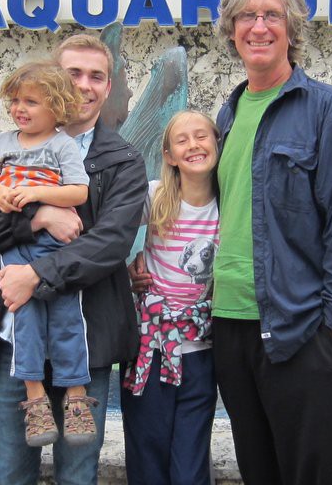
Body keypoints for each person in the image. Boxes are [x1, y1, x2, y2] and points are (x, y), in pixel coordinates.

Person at [0, 33, 148, 485]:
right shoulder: (9, 149)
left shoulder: (123, 161)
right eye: (73, 73)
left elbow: (110, 244)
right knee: (12, 472)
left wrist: (36, 275)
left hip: (87, 338)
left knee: (78, 472)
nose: (84, 85)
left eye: (96, 76)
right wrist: (39, 217)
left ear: (108, 86)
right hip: (14, 337)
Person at [211, 0, 332, 485]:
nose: (259, 26)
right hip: (230, 326)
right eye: (246, 16)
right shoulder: (228, 116)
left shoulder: (327, 108)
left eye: (271, 15)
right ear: (231, 30)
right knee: (259, 472)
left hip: (301, 328)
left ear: (291, 29)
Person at [0, 61, 95, 447]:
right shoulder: (3, 144)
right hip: (14, 244)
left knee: (66, 318)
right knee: (23, 316)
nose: (20, 109)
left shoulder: (62, 145)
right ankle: (35, 396)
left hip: (55, 246)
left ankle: (76, 397)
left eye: (31, 102)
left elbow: (78, 192)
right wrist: (2, 194)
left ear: (57, 107)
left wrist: (39, 195)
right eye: (15, 101)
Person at [121, 110, 221, 485]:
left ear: (217, 143)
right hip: (151, 350)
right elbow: (108, 232)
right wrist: (127, 270)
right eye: (182, 140)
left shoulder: (228, 204)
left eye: (202, 136)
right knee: (148, 457)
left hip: (201, 351)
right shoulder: (156, 196)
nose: (193, 145)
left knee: (191, 463)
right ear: (168, 155)